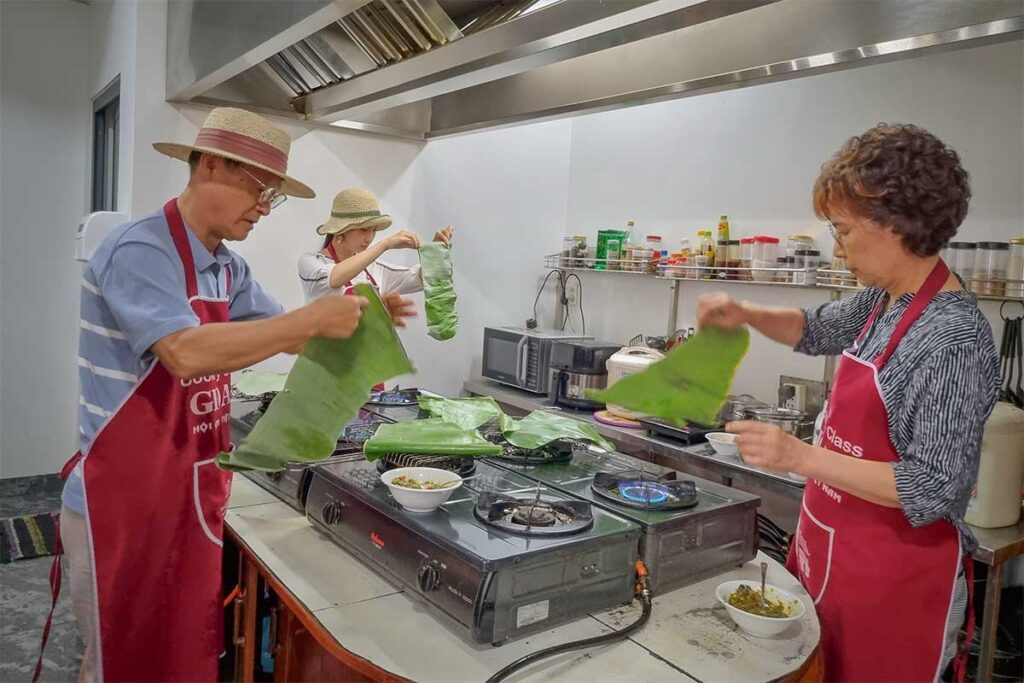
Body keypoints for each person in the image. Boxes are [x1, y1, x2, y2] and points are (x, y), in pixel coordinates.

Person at [52, 107, 413, 682]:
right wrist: (313, 321)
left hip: (190, 492)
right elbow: (185, 351)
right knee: (122, 661)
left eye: (275, 195)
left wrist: (360, 321)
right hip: (123, 503)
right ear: (212, 165)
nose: (265, 207)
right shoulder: (139, 250)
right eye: (261, 188)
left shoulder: (227, 267)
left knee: (180, 655)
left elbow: (292, 336)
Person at [698, 123, 998, 682]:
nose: (837, 246)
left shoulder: (952, 336)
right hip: (829, 559)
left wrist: (799, 457)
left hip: (897, 589)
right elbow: (815, 329)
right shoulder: (884, 300)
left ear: (896, 225)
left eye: (843, 230)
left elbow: (934, 487)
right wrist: (747, 312)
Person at [297, 187, 453, 304]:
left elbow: (420, 278)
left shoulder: (375, 269)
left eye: (374, 230)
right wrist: (384, 244)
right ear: (341, 230)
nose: (369, 238)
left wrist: (435, 253)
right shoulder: (310, 262)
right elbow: (334, 278)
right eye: (364, 229)